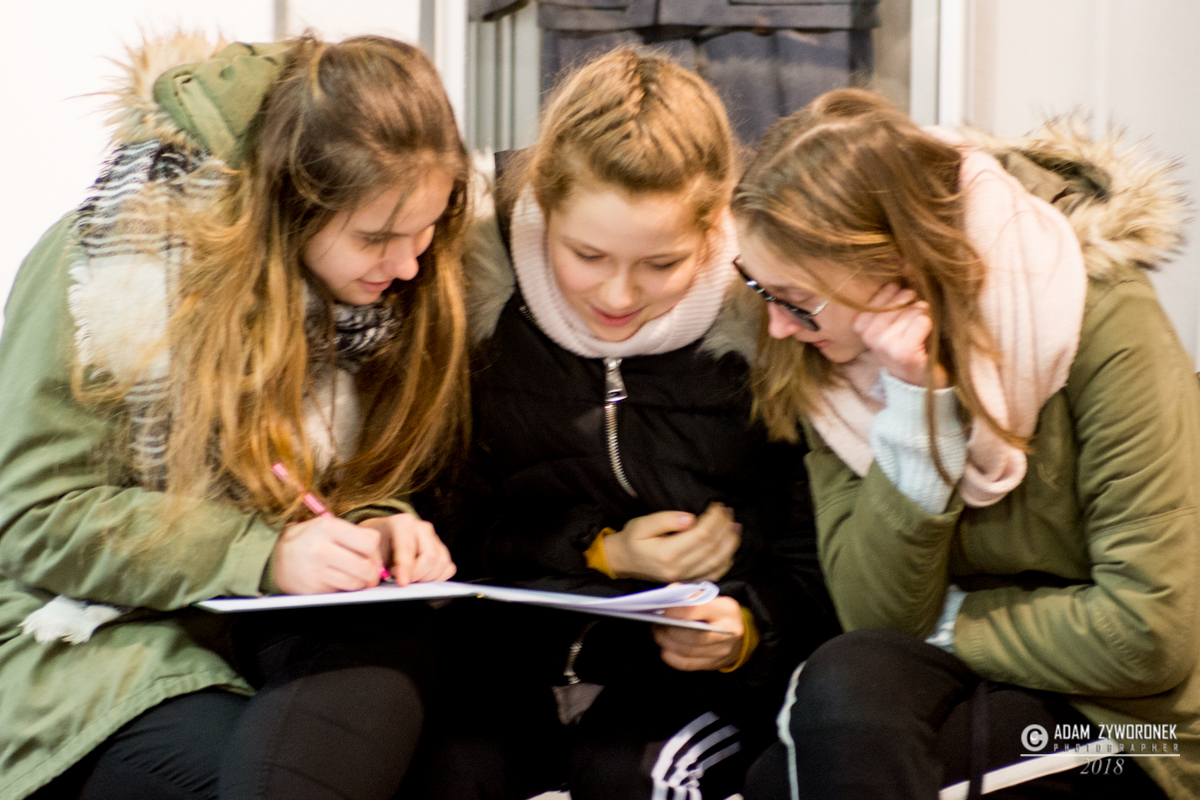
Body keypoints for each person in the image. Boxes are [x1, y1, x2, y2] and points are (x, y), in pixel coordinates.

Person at [0, 33, 471, 800]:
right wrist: (261, 555)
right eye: (377, 238)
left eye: (426, 231)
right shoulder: (105, 264)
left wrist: (382, 523)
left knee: (448, 759)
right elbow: (36, 519)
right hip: (87, 638)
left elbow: (334, 482)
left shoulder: (372, 294)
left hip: (265, 628)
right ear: (290, 207)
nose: (409, 264)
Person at [731, 88, 1199, 799]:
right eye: (759, 288)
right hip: (965, 677)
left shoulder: (1104, 319)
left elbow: (1148, 635)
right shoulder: (827, 363)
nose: (778, 326)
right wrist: (917, 409)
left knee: (785, 782)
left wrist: (949, 621)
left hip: (1136, 725)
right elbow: (876, 623)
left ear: (900, 269)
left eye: (797, 299)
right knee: (843, 686)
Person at [411, 49, 839, 800]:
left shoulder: (771, 332)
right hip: (509, 669)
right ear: (542, 209)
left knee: (632, 776)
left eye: (661, 264)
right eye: (587, 255)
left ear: (715, 229)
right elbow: (443, 529)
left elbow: (825, 565)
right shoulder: (471, 307)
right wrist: (601, 552)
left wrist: (744, 630)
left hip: (684, 690)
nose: (617, 295)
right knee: (447, 770)